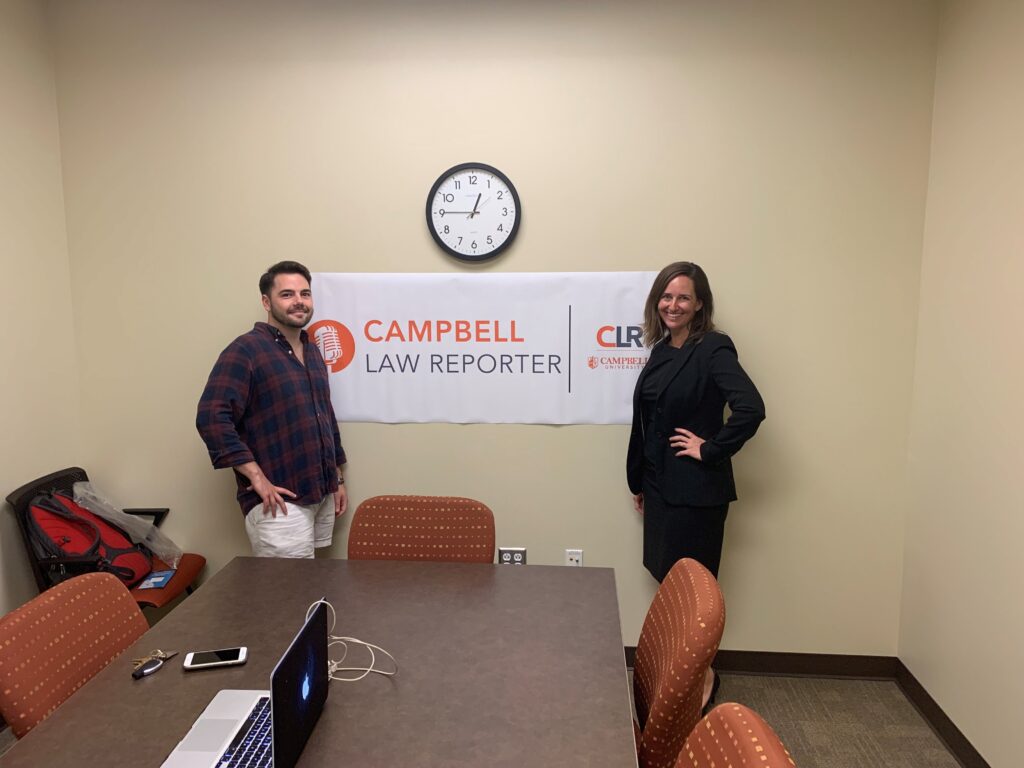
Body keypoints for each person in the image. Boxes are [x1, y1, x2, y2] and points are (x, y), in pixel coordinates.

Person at [626, 261, 764, 707]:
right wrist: (643, 482)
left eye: (683, 297)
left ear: (699, 302)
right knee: (670, 583)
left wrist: (710, 448)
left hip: (697, 493)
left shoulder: (713, 348)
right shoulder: (662, 349)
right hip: (661, 486)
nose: (673, 305)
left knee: (695, 593)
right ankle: (678, 672)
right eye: (666, 297)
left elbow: (750, 408)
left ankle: (703, 678)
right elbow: (651, 420)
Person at [197, 261, 348, 558]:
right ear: (267, 301)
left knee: (314, 586)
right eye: (287, 294)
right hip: (279, 499)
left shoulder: (313, 352)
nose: (299, 302)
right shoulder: (246, 350)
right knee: (286, 595)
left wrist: (337, 479)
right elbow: (211, 417)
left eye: (305, 294)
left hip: (321, 491)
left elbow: (325, 418)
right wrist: (256, 477)